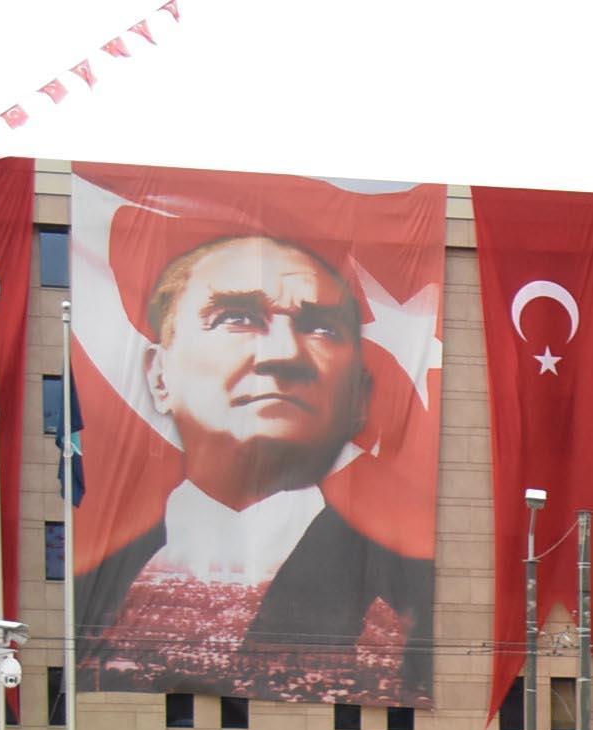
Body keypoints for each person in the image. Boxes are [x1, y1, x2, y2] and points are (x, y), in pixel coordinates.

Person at [78, 232, 434, 701]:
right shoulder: (96, 578)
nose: (283, 354)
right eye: (237, 318)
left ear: (358, 396)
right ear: (159, 375)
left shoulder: (406, 583)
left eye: (321, 328)